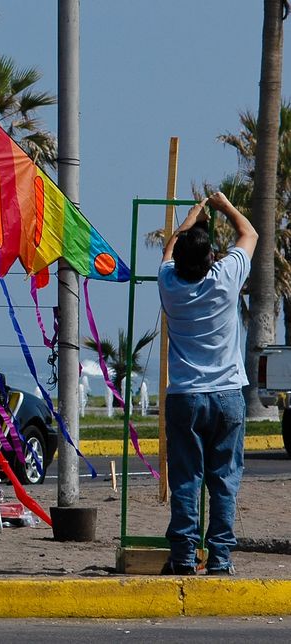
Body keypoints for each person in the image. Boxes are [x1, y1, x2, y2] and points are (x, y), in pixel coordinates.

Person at [158, 191, 258, 576]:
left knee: (187, 480)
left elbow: (168, 252)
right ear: (211, 259)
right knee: (224, 481)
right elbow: (248, 234)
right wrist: (224, 206)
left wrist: (190, 219)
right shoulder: (225, 279)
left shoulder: (169, 283)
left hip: (185, 396)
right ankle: (220, 559)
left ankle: (183, 558)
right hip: (228, 393)